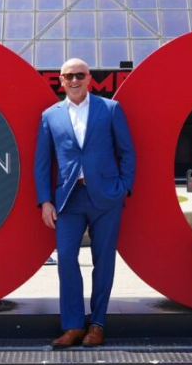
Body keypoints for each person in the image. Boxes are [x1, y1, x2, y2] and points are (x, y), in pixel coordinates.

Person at [35, 58, 136, 348]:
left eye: (80, 75)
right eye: (69, 76)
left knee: (103, 260)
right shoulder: (50, 116)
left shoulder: (110, 109)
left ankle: (97, 324)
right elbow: (42, 163)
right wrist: (45, 201)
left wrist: (123, 188)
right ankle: (72, 326)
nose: (75, 80)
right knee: (66, 258)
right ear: (61, 80)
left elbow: (127, 152)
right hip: (68, 199)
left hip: (106, 196)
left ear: (89, 78)